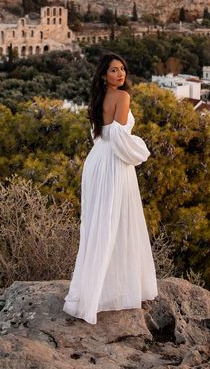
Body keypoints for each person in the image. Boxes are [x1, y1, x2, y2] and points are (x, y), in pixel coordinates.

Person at [63, 53, 158, 324]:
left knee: (98, 226)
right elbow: (119, 138)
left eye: (122, 69)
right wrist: (140, 152)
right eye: (114, 70)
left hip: (96, 161)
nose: (120, 74)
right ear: (104, 74)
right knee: (116, 223)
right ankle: (112, 292)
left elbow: (100, 134)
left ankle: (93, 293)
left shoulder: (97, 98)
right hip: (113, 164)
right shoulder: (123, 97)